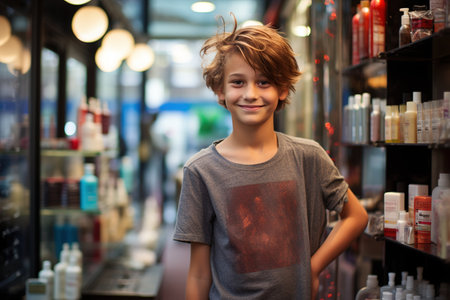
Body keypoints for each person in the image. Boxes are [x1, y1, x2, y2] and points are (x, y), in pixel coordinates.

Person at [173, 16, 368, 300]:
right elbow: (199, 273)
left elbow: (356, 216)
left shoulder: (308, 157)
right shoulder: (201, 170)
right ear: (220, 90)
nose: (251, 94)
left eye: (264, 82)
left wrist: (312, 268)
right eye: (238, 82)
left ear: (283, 89)